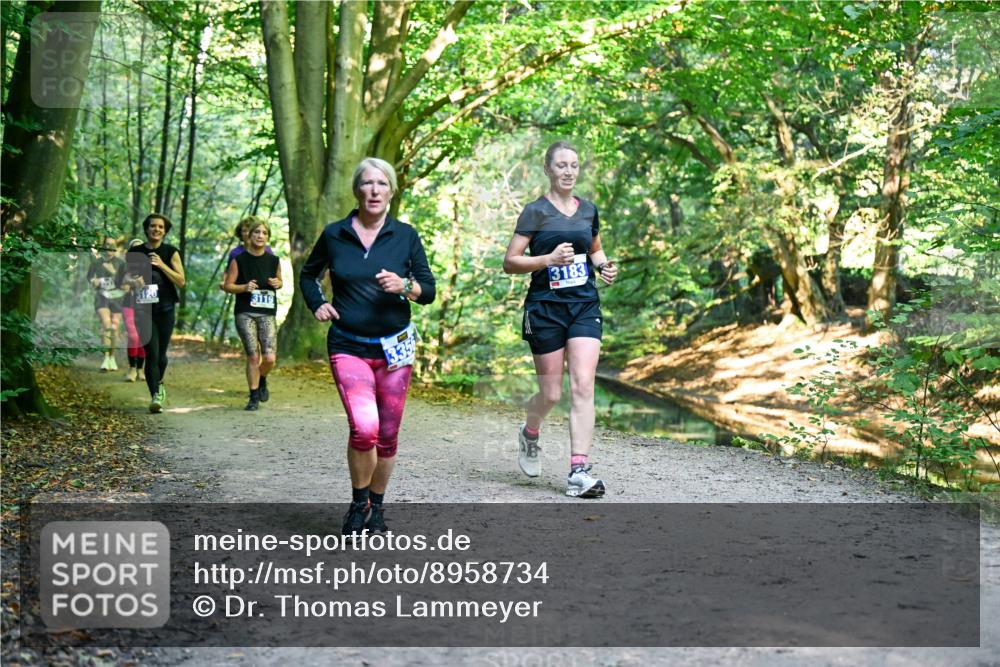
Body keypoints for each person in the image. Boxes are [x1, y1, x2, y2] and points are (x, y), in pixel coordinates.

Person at [300, 157, 435, 535]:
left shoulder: (405, 236)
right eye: (367, 184)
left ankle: (377, 507)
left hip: (396, 349)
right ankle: (358, 504)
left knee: (388, 434)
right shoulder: (334, 234)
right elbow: (309, 276)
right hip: (349, 345)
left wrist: (405, 286)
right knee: (364, 428)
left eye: (382, 184)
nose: (374, 190)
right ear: (357, 190)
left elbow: (429, 290)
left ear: (391, 191)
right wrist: (318, 303)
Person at [502, 140, 618, 498]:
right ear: (548, 169)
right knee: (551, 393)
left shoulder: (589, 211)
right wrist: (547, 260)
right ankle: (530, 430)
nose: (568, 171)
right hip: (545, 308)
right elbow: (510, 261)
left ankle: (578, 471)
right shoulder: (534, 212)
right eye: (561, 165)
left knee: (583, 385)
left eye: (574, 165)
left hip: (584, 305)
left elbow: (594, 249)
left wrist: (604, 267)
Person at [126, 213, 185, 413]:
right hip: (143, 309)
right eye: (153, 226)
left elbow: (181, 281)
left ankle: (159, 382)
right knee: (151, 353)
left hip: (166, 308)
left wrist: (161, 265)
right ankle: (155, 396)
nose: (156, 229)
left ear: (165, 231)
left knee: (161, 356)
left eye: (160, 227)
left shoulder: (171, 252)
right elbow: (125, 279)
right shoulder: (135, 251)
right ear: (146, 229)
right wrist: (133, 281)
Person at [222, 218, 282, 411]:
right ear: (249, 235)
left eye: (264, 233)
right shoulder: (238, 260)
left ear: (268, 237)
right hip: (245, 311)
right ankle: (253, 395)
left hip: (267, 312)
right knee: (253, 356)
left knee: (270, 357)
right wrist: (244, 287)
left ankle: (262, 378)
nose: (260, 236)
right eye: (257, 232)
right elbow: (228, 286)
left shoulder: (274, 260)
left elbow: (280, 281)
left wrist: (277, 284)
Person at [87, 237, 125, 372]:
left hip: (117, 299)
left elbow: (124, 283)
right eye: (107, 245)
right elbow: (90, 278)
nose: (109, 248)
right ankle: (105, 357)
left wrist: (113, 271)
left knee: (114, 329)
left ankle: (112, 358)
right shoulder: (96, 263)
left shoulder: (120, 263)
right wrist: (94, 281)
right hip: (101, 298)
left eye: (112, 245)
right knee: (106, 325)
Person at [219, 218, 274, 290]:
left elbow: (273, 273)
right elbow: (228, 273)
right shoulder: (236, 253)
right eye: (244, 231)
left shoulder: (267, 250)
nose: (247, 233)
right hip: (243, 293)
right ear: (240, 234)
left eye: (250, 230)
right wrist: (225, 283)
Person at [119, 239, 147, 382]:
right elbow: (121, 285)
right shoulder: (125, 266)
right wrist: (129, 282)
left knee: (142, 338)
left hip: (146, 306)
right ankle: (132, 368)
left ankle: (140, 369)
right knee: (133, 336)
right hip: (129, 304)